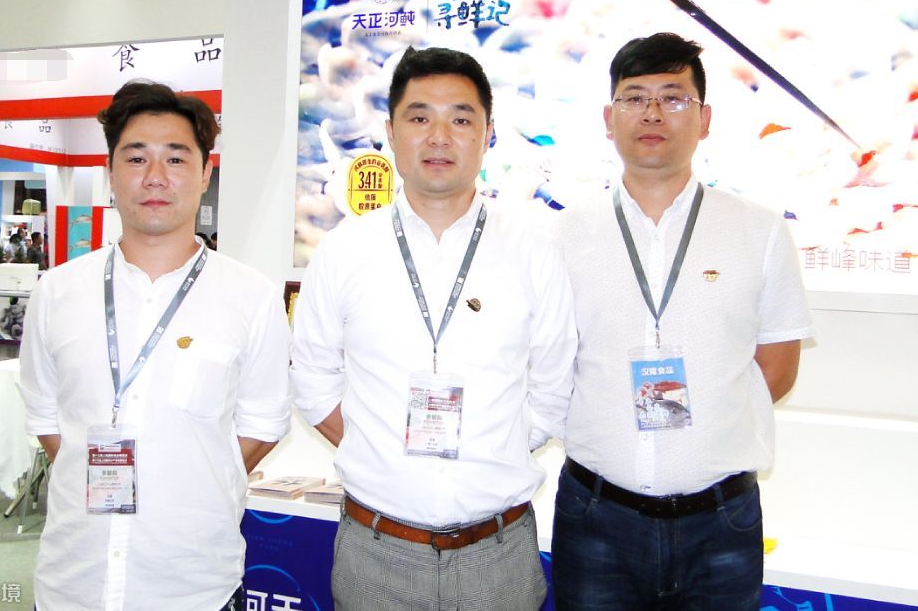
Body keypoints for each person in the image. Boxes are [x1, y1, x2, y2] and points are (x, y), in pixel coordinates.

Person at [291, 46, 577, 611]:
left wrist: (488, 446)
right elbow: (314, 381)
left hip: (498, 555)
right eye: (420, 117)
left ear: (488, 134)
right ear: (391, 133)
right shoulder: (344, 251)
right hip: (375, 552)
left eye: (461, 120)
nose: (440, 137)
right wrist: (378, 449)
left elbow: (553, 388)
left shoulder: (533, 252)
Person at [550, 32, 814, 610]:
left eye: (673, 97)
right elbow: (549, 366)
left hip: (720, 519)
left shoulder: (759, 230)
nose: (652, 113)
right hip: (596, 517)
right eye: (634, 97)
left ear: (705, 118)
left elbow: (777, 367)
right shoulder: (561, 235)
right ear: (608, 118)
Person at [18, 80, 292, 611]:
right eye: (137, 157)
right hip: (72, 581)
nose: (155, 177)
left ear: (206, 173)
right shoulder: (57, 291)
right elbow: (46, 416)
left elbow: (262, 424)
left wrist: (190, 477)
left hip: (194, 585)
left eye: (176, 158)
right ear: (110, 171)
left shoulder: (251, 296)